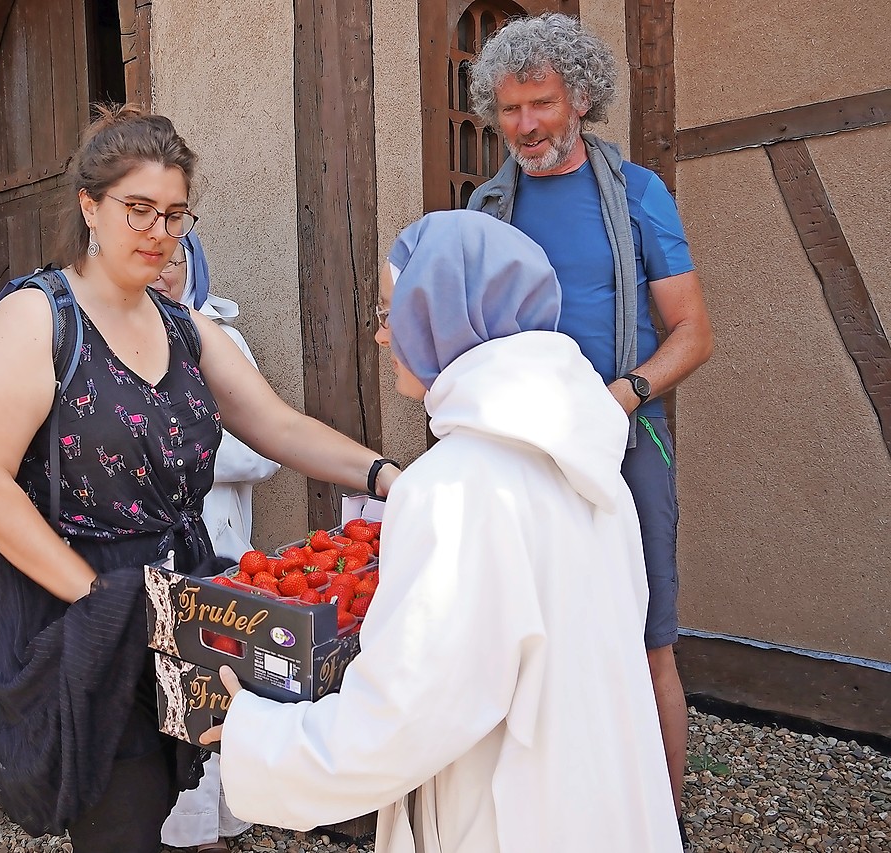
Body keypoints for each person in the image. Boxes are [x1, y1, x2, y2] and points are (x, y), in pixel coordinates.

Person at [0, 104, 399, 853]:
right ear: (90, 208)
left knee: (159, 793)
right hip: (75, 600)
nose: (159, 233)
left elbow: (277, 425)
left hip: (176, 597)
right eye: (138, 210)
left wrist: (389, 476)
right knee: (118, 814)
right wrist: (98, 599)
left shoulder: (183, 325)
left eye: (174, 215)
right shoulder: (37, 317)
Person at [203, 210, 681, 852]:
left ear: (438, 314)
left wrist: (257, 733)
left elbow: (407, 717)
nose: (379, 335)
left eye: (386, 310)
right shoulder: (588, 461)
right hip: (595, 797)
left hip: (505, 814)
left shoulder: (457, 488)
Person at [465, 13, 714, 834]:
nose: (524, 125)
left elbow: (694, 333)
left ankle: (661, 827)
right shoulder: (487, 207)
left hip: (624, 444)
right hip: (524, 453)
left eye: (539, 104)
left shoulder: (638, 193)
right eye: (508, 109)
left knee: (648, 647)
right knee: (527, 643)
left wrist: (620, 394)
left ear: (580, 99)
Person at [153, 234, 271, 851]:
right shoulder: (117, 337)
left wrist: (171, 453)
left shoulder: (223, 338)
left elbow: (259, 450)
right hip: (146, 540)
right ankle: (177, 824)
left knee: (216, 670)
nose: (166, 270)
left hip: (215, 534)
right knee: (163, 679)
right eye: (159, 257)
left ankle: (224, 816)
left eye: (179, 259)